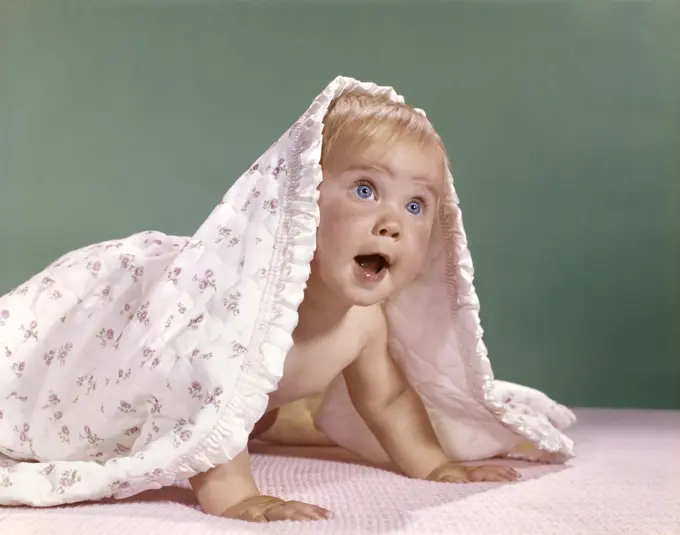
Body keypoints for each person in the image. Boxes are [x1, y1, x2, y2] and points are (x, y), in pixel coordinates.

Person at [190, 89, 519, 522]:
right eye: (365, 190)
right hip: (163, 373)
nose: (392, 223)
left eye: (415, 205)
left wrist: (435, 465)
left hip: (252, 405)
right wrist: (235, 496)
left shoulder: (364, 323)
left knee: (259, 420)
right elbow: (203, 396)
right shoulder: (244, 307)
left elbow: (389, 401)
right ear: (303, 198)